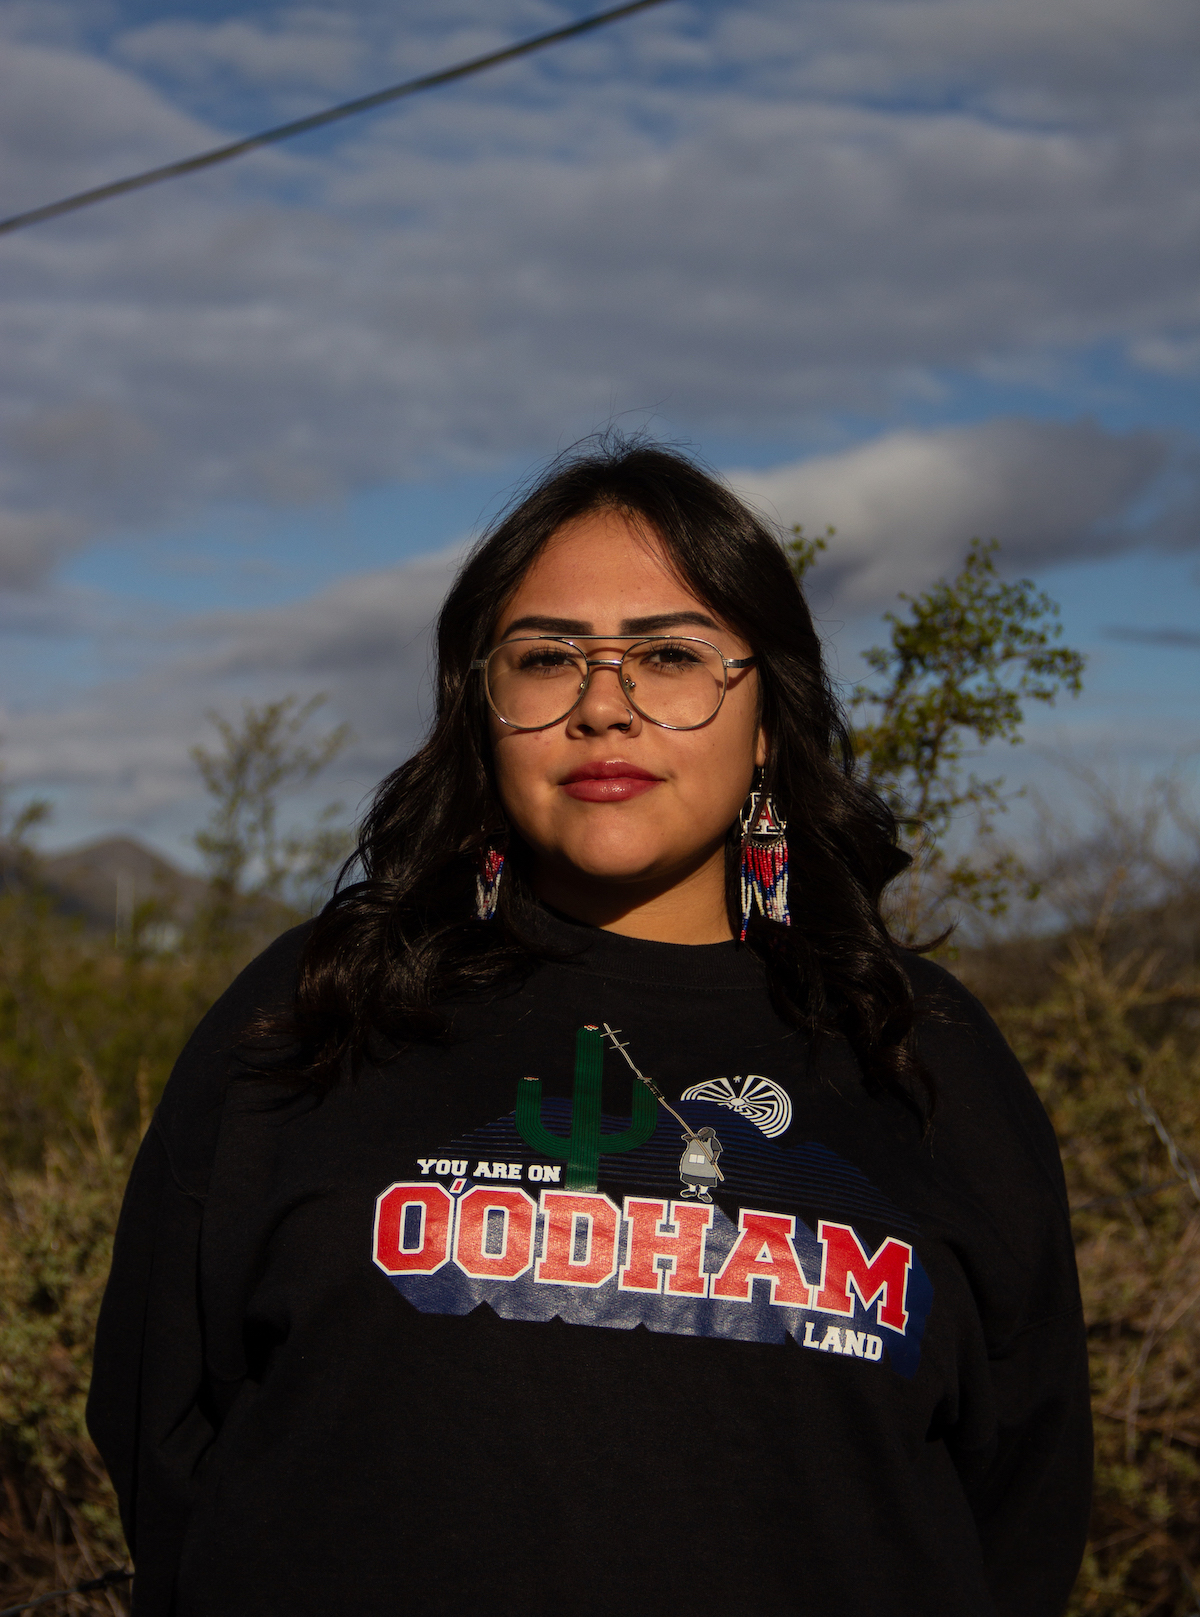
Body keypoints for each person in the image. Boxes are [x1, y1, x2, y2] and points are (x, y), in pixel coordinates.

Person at [87, 440, 1092, 1616]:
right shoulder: (322, 1007)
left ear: (768, 718)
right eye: (547, 658)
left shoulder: (918, 1051)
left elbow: (1019, 1503)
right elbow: (165, 1432)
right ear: (482, 710)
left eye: (670, 656)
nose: (602, 706)